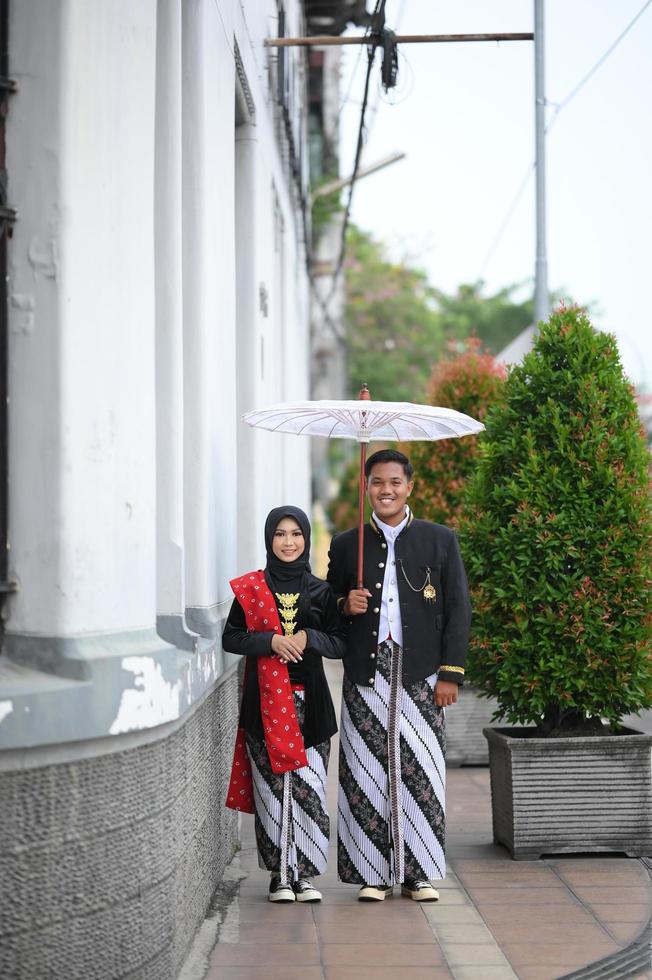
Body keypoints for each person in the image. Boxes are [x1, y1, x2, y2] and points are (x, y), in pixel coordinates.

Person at [327, 449, 471, 902]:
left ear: (410, 486)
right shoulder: (348, 544)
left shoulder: (439, 539)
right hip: (365, 671)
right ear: (366, 486)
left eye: (394, 482)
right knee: (365, 767)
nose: (385, 490)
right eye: (376, 482)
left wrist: (450, 674)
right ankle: (371, 872)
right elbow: (326, 607)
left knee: (421, 768)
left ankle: (419, 872)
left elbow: (458, 610)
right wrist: (341, 605)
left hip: (422, 669)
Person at [223, 505, 345, 903]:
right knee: (273, 790)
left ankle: (305, 875)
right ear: (268, 540)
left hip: (310, 706)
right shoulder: (252, 588)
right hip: (264, 703)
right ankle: (279, 876)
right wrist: (270, 642)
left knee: (308, 788)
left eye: (296, 534)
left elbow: (340, 640)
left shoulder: (321, 591)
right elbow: (232, 637)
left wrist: (310, 637)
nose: (288, 542)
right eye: (280, 534)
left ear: (306, 539)